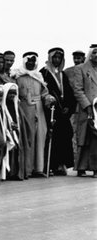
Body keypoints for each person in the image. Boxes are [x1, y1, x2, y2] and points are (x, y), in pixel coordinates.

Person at [12, 51, 55, 176]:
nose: (30, 63)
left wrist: (49, 98)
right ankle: (27, 169)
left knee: (40, 136)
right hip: (24, 107)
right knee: (28, 136)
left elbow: (44, 93)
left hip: (39, 108)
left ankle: (39, 168)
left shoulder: (38, 76)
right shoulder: (17, 76)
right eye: (28, 61)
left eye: (33, 61)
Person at [40, 47, 76, 175]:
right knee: (51, 138)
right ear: (50, 58)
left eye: (59, 58)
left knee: (65, 136)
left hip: (63, 113)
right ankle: (50, 165)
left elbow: (69, 93)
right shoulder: (43, 73)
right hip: (50, 111)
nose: (56, 60)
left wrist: (69, 106)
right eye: (54, 57)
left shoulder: (62, 74)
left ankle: (61, 164)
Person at [70, 45, 97, 176]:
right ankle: (81, 167)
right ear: (90, 54)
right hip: (86, 108)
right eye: (95, 52)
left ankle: (95, 167)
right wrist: (87, 105)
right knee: (83, 137)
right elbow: (78, 89)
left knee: (95, 138)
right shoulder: (80, 69)